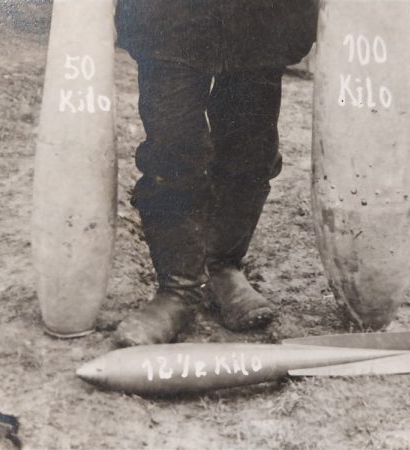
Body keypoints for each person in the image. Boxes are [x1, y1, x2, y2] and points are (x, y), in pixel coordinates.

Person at [112, 1, 318, 347]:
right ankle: (177, 290)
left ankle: (223, 267)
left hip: (261, 16)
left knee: (250, 147)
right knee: (172, 146)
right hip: (171, 16)